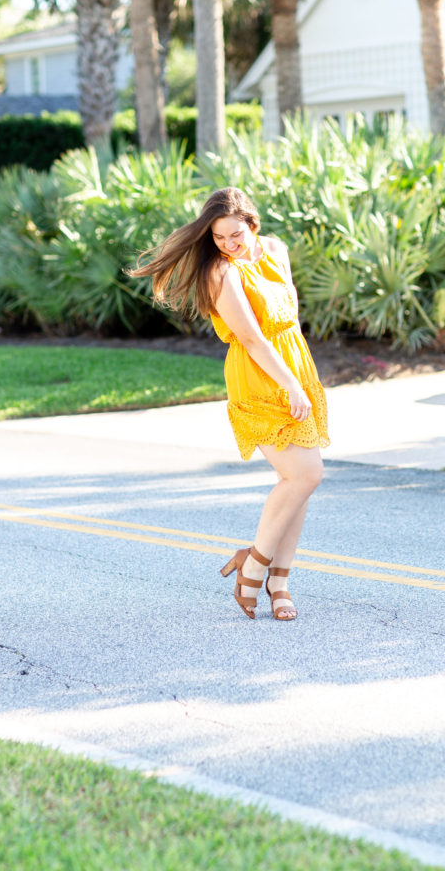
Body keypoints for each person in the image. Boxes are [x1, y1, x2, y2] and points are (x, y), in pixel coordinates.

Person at [129, 187, 329, 621]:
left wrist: (300, 379)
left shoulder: (276, 250)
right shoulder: (221, 272)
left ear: (252, 224)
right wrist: (290, 385)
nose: (228, 245)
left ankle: (280, 583)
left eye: (235, 235)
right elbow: (253, 338)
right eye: (219, 238)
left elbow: (290, 315)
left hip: (294, 365)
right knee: (306, 473)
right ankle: (254, 563)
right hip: (259, 379)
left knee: (300, 483)